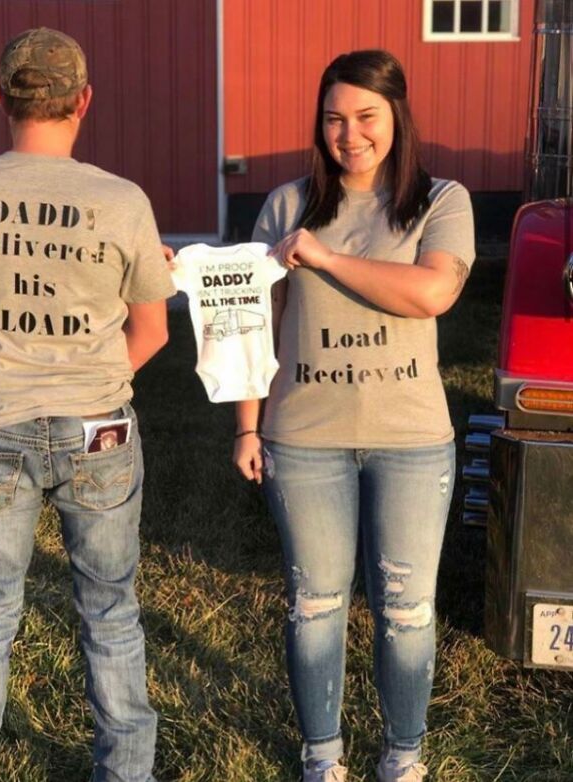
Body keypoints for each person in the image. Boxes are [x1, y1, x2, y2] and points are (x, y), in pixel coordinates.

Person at [0, 27, 175, 782]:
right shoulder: (123, 202)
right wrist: (89, 379)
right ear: (84, 102)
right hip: (98, 430)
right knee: (110, 613)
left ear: (0, 98)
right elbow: (153, 330)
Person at [233, 50, 475, 782]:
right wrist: (246, 424)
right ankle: (322, 756)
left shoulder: (443, 200)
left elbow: (431, 293)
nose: (350, 134)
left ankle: (403, 754)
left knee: (407, 610)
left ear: (396, 116)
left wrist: (328, 258)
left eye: (366, 116)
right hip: (304, 441)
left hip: (411, 442)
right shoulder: (285, 205)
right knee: (315, 604)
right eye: (334, 118)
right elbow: (253, 321)